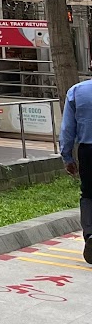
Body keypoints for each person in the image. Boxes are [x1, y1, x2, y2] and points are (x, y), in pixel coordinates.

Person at [60, 73, 92, 266]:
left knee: (88, 193)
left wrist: (67, 157)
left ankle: (90, 235)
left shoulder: (76, 91)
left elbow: (67, 128)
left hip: (88, 151)